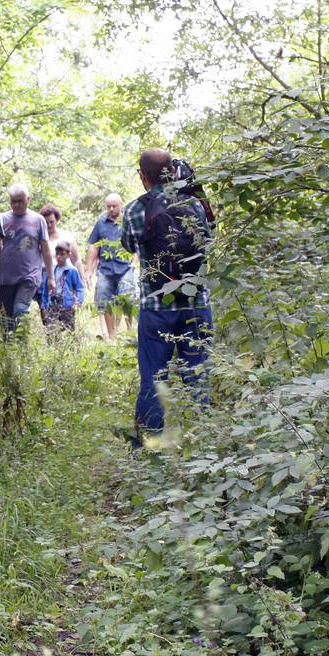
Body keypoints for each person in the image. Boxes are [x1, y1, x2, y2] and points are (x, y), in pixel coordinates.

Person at [120, 148, 214, 444]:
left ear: (142, 176)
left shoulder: (135, 210)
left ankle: (150, 445)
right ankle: (204, 444)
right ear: (172, 171)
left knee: (153, 378)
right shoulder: (193, 204)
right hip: (197, 302)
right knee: (198, 377)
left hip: (156, 304)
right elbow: (210, 236)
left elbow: (128, 245)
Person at [0, 184, 54, 332]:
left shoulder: (38, 220)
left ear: (28, 199)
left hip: (29, 276)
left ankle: (21, 346)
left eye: (20, 201)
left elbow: (46, 250)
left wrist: (51, 277)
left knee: (20, 311)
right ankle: (10, 350)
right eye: (13, 201)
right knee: (5, 320)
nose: (16, 205)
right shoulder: (2, 219)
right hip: (5, 277)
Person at [87, 192, 134, 340]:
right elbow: (94, 246)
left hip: (126, 268)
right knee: (104, 301)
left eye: (114, 206)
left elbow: (138, 243)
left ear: (121, 205)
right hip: (106, 269)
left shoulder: (128, 221)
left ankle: (129, 334)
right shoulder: (101, 222)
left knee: (127, 299)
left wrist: (136, 262)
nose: (111, 209)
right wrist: (89, 269)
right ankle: (112, 338)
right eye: (109, 206)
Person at [47, 240, 85, 332]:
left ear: (68, 255)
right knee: (52, 330)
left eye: (62, 254)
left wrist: (78, 301)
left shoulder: (72, 270)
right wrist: (46, 302)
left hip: (67, 306)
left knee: (69, 330)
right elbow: (48, 286)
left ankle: (72, 346)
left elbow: (80, 287)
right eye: (57, 254)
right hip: (53, 304)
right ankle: (54, 345)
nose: (59, 257)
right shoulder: (53, 269)